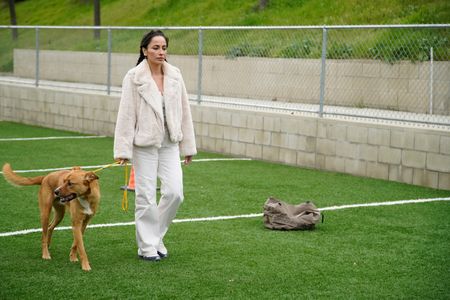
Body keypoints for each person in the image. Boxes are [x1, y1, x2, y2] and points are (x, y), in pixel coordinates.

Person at [114, 30, 197, 261]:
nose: (161, 52)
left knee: (175, 193)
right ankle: (147, 247)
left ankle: (155, 236)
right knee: (145, 197)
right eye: (155, 48)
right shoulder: (133, 77)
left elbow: (184, 111)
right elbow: (126, 114)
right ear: (144, 50)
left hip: (170, 142)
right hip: (144, 145)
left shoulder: (175, 75)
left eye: (163, 48)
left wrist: (187, 146)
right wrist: (123, 150)